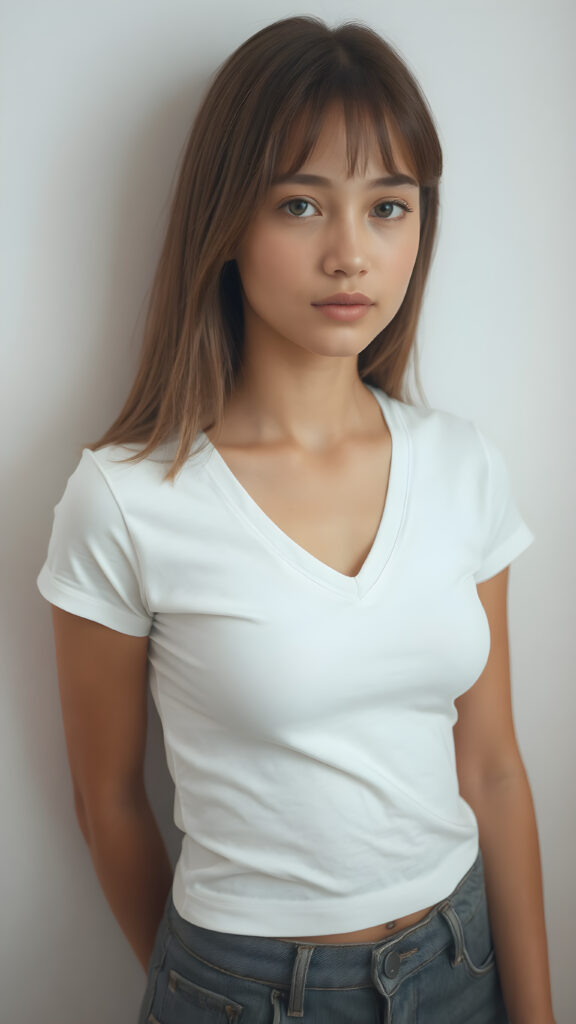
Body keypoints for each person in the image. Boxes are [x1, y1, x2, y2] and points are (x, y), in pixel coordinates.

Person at [36, 15, 556, 1024]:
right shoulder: (128, 497)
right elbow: (107, 802)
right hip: (236, 984)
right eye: (303, 203)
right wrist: (214, 992)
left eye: (390, 206)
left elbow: (491, 764)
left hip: (463, 963)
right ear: (228, 219)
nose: (351, 253)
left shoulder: (462, 466)